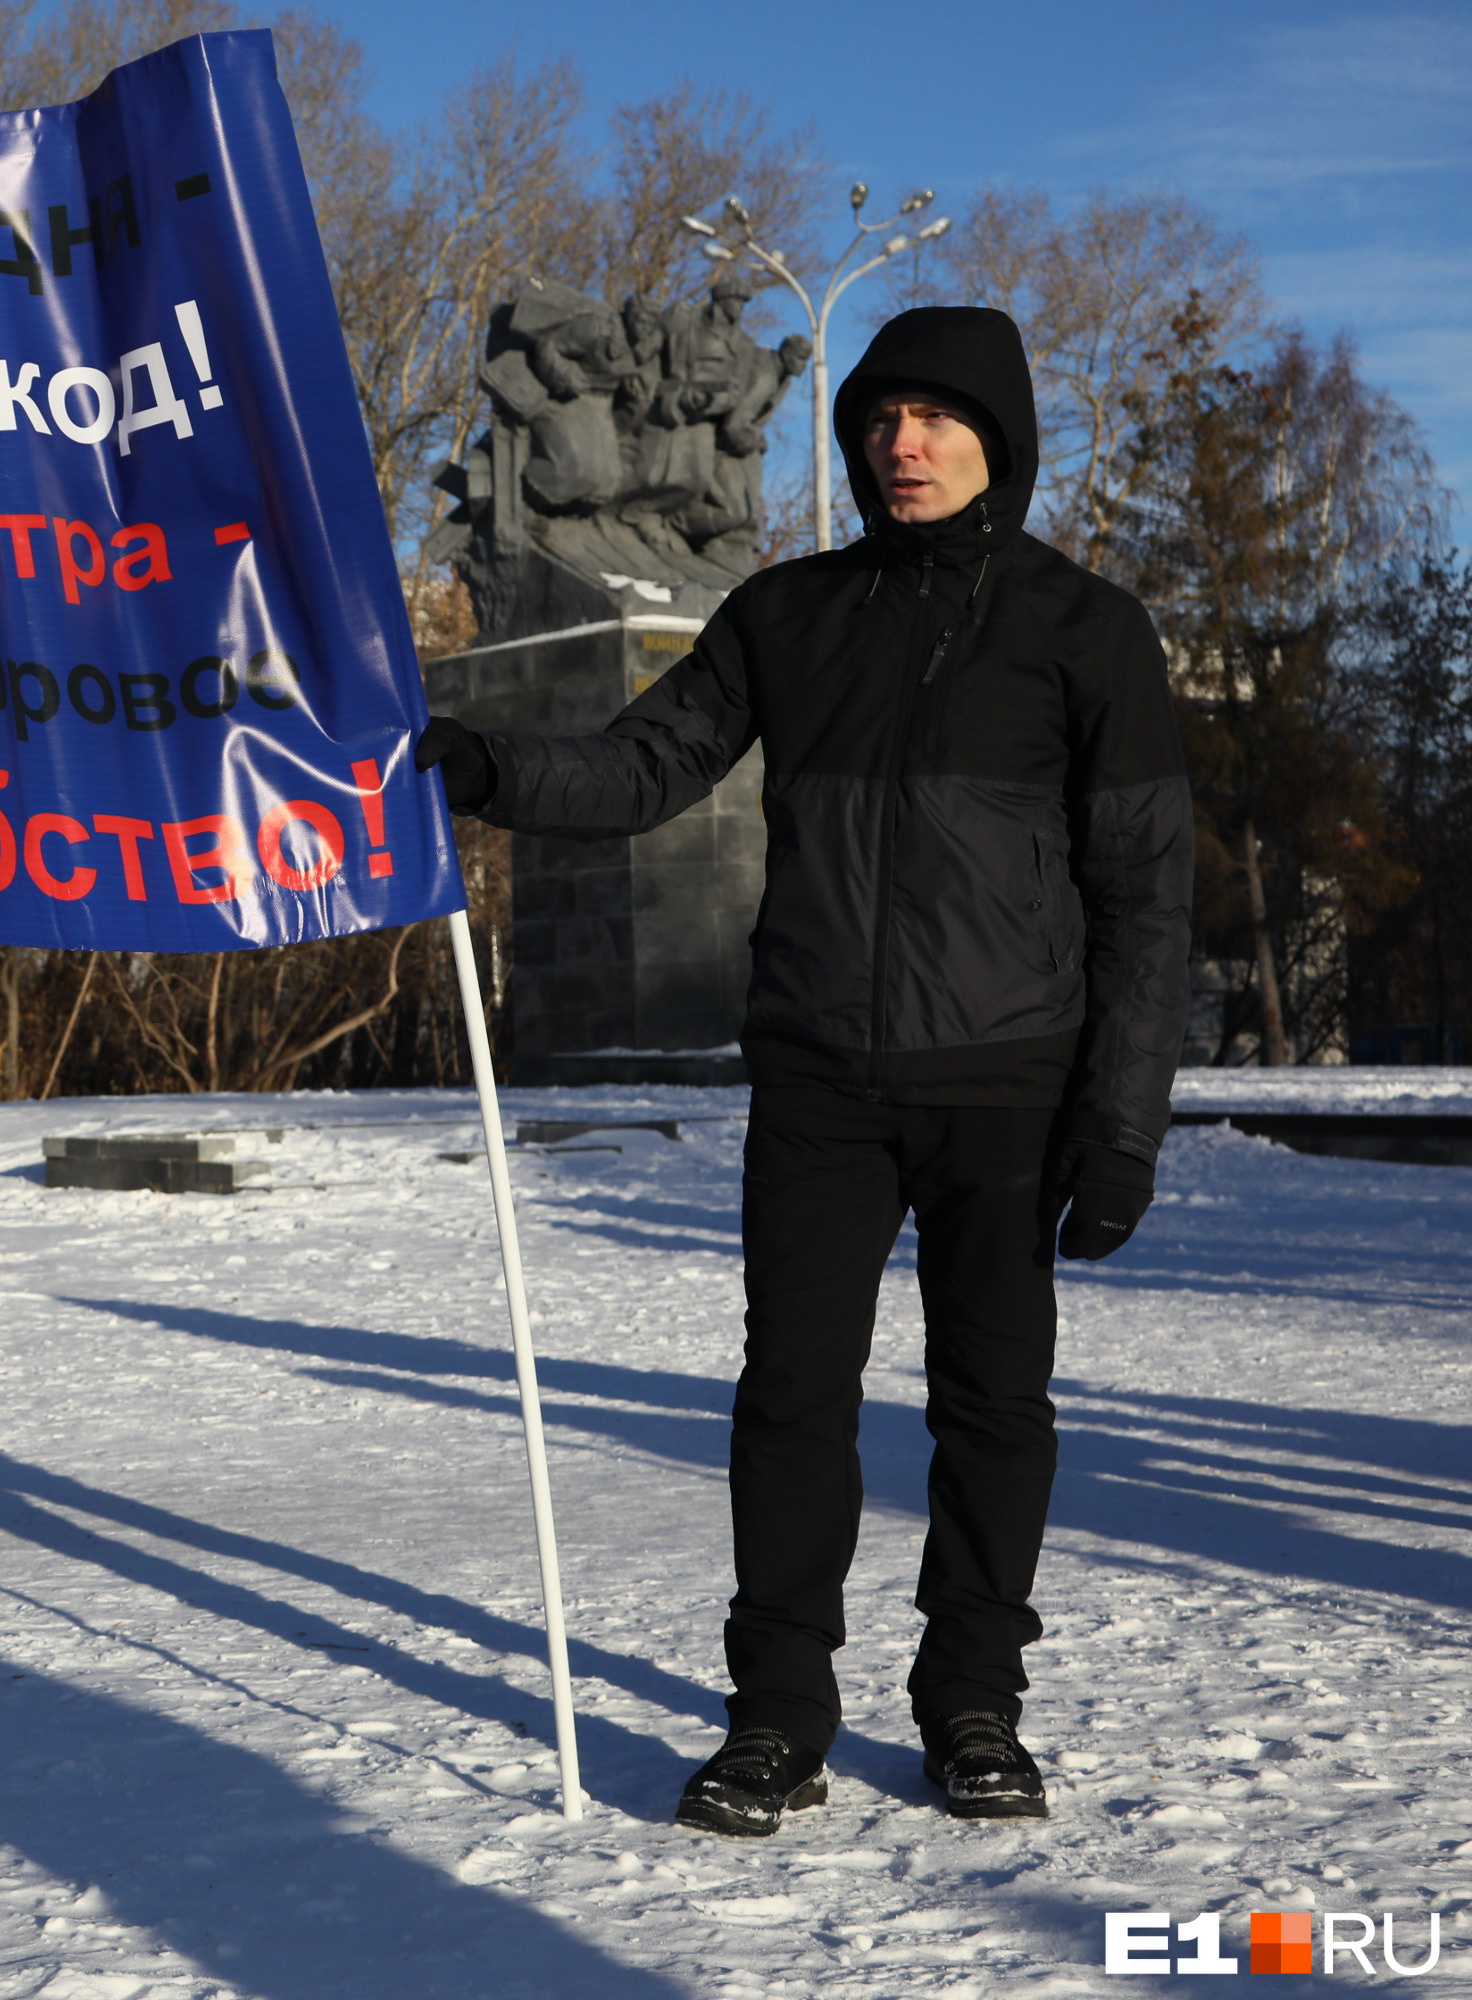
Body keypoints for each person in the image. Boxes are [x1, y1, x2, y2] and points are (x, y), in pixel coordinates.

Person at [419, 306, 1191, 1835]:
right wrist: (490, 764)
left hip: (1008, 1088)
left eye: (936, 419)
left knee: (993, 1409)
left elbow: (1145, 892)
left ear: (999, 438)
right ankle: (777, 1716)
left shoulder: (1086, 630)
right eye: (881, 419)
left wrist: (1123, 1126)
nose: (904, 445)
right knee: (790, 1403)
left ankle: (973, 1704)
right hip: (823, 1083)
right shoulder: (788, 613)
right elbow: (647, 768)